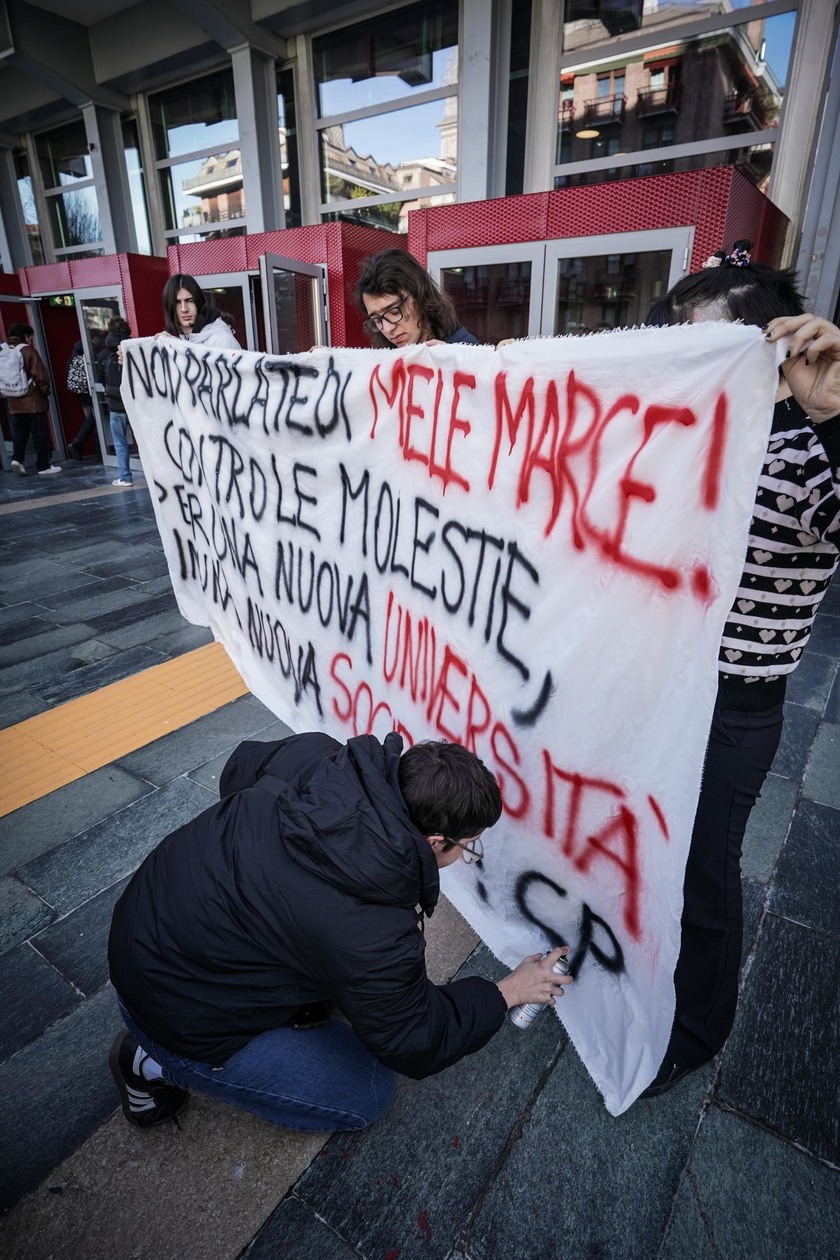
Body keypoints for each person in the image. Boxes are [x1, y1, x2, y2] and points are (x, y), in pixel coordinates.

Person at [107, 734, 572, 1130]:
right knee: (366, 1091)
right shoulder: (370, 925)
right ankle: (152, 1063)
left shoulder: (319, 753)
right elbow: (414, 1038)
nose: (467, 855)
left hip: (141, 926)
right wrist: (507, 991)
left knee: (346, 990)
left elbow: (238, 768)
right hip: (172, 1012)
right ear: (434, 843)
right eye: (467, 847)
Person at [642, 244, 840, 1097]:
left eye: (705, 349)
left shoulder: (807, 455)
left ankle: (693, 1032)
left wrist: (835, 414)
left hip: (734, 711)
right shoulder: (677, 436)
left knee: (703, 874)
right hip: (654, 693)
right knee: (641, 849)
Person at [356, 248, 479, 349]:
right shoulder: (386, 360)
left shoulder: (465, 352)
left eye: (394, 311)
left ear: (419, 296)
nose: (388, 329)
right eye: (377, 320)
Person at [5, 323, 60, 476]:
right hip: (33, 401)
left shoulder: (2, 350)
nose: (31, 341)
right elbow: (40, 376)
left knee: (20, 432)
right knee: (39, 433)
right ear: (25, 336)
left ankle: (17, 459)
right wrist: (45, 392)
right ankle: (43, 465)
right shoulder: (27, 350)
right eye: (31, 337)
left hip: (13, 401)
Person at [98, 320, 135, 487]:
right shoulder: (132, 349)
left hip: (115, 404)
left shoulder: (103, 354)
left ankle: (125, 477)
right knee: (145, 441)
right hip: (133, 403)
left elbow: (101, 379)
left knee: (120, 443)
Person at [161, 273, 241, 349]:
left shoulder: (222, 341)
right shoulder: (182, 339)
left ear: (199, 301)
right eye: (177, 303)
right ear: (170, 307)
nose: (184, 309)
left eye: (190, 301)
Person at [65, 340, 98, 460]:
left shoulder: (72, 358)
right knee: (96, 420)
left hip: (81, 394)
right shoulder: (89, 357)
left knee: (91, 420)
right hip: (91, 393)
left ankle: (77, 444)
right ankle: (99, 453)